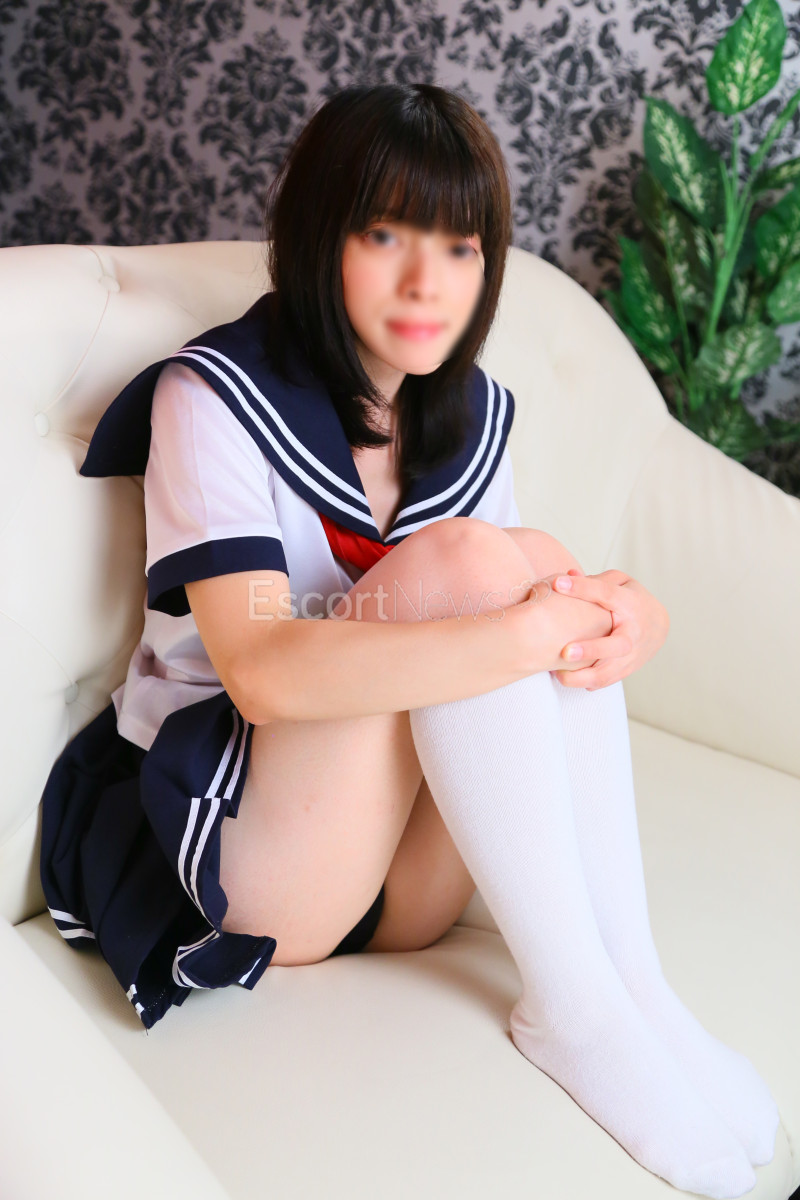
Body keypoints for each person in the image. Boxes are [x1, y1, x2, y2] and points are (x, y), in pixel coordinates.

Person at [38, 83, 775, 1196]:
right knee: (480, 566)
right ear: (318, 236)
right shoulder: (213, 395)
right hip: (257, 862)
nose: (429, 282)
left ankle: (632, 989)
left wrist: (623, 614)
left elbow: (521, 623)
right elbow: (264, 671)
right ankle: (575, 1011)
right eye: (385, 235)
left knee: (523, 560)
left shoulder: (467, 413)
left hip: (410, 889)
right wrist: (528, 619)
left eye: (461, 247)